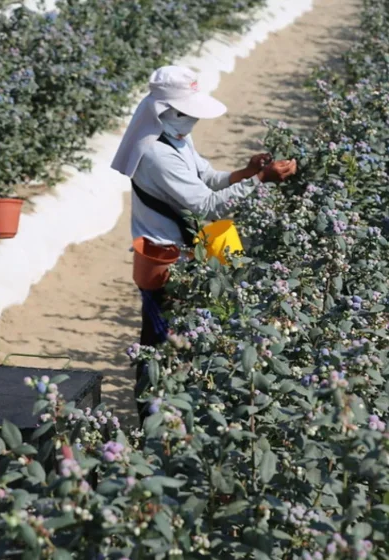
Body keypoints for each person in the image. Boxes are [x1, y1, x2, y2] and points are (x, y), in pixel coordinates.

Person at [110, 65, 296, 418]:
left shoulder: (175, 137)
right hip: (167, 260)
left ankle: (177, 409)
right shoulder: (154, 153)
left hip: (190, 251)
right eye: (188, 113)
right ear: (167, 111)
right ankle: (152, 417)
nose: (193, 121)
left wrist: (246, 172)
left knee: (192, 334)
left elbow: (209, 179)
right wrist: (261, 181)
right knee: (158, 341)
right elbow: (210, 206)